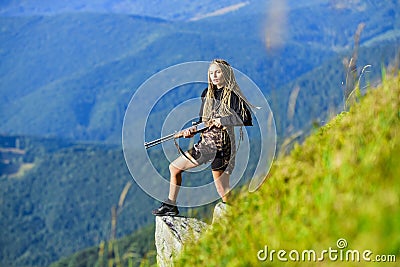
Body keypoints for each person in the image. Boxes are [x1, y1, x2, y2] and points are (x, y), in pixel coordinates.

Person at [152, 59, 253, 216]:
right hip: (205, 144)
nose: (214, 76)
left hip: (222, 147)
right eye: (211, 73)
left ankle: (237, 213)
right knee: (174, 168)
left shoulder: (233, 95)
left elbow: (246, 118)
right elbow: (203, 121)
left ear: (226, 73)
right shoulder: (207, 94)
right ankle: (171, 205)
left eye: (218, 72)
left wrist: (223, 120)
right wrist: (192, 131)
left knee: (222, 188)